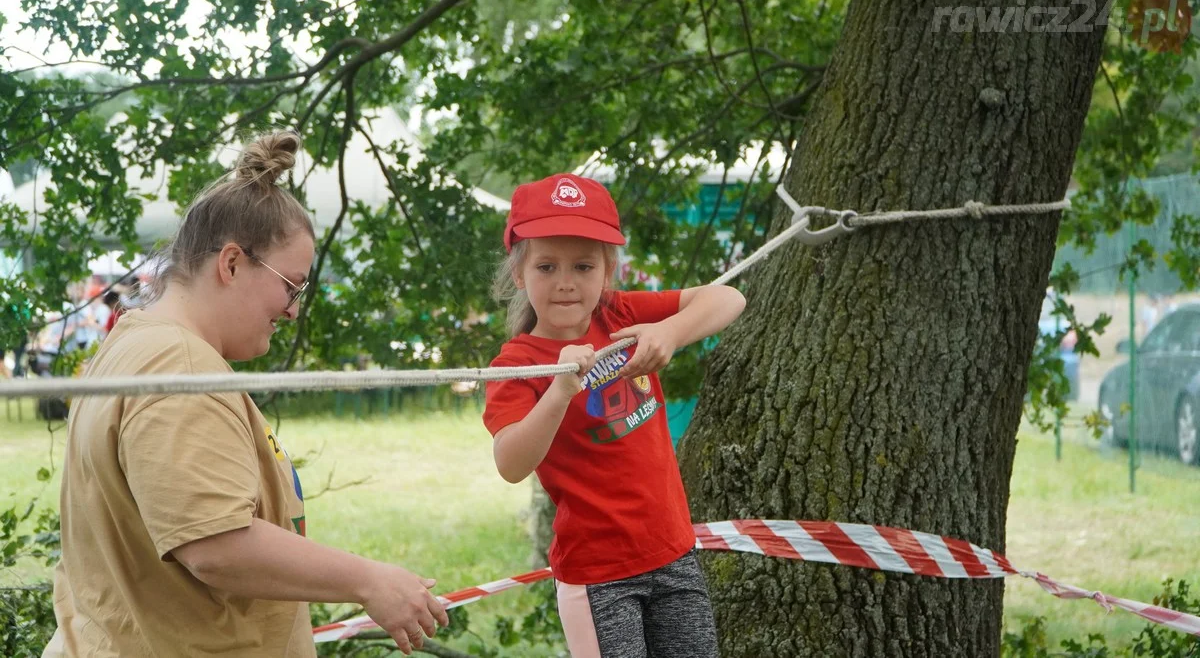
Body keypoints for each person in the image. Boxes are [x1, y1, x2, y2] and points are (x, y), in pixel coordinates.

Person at [44, 131, 448, 657]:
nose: (294, 310)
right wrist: (368, 580)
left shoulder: (134, 342)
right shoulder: (180, 367)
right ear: (231, 264)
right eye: (292, 285)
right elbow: (214, 545)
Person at [483, 173, 746, 657]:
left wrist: (669, 333)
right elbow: (511, 462)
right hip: (599, 576)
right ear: (519, 274)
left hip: (675, 551)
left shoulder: (621, 316)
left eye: (583, 266)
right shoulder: (517, 363)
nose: (566, 283)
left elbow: (729, 298)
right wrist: (561, 390)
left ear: (607, 271)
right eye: (547, 267)